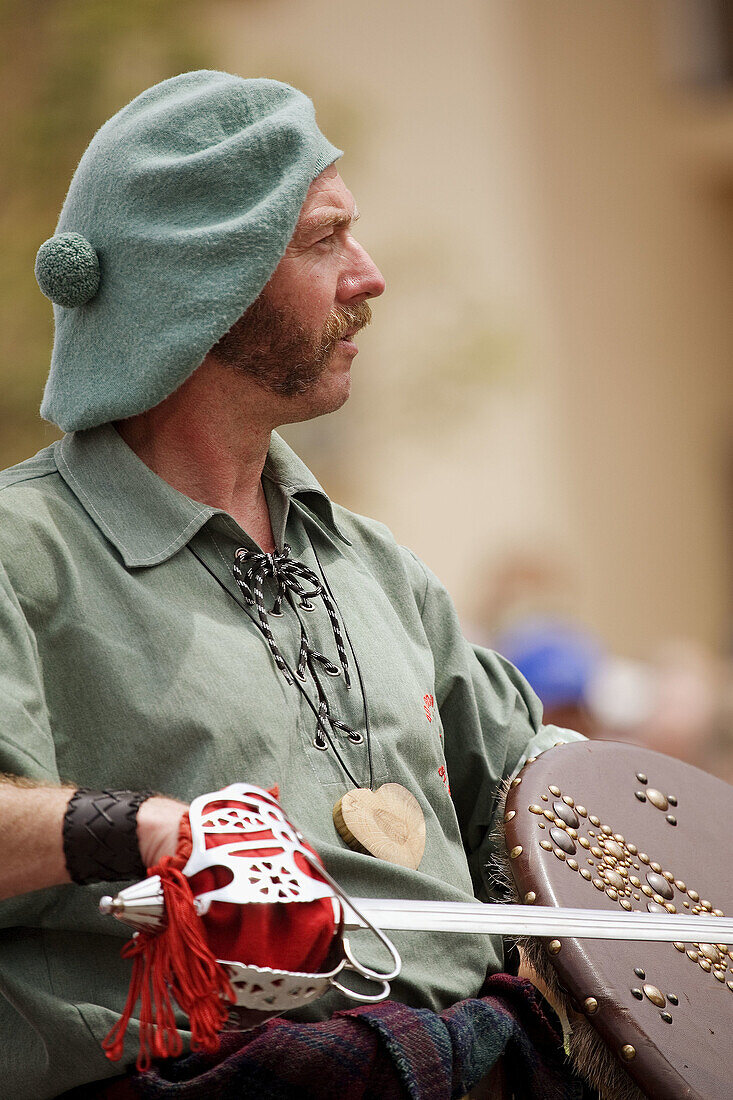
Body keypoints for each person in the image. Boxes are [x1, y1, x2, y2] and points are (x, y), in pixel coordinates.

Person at [0, 71, 584, 1099]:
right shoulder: (19, 548)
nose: (370, 276)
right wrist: (150, 829)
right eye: (324, 240)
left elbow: (543, 796)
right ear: (203, 282)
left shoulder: (375, 562)